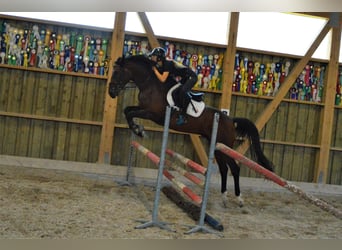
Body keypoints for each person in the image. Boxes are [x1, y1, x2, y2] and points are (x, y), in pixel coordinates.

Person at [149, 47, 198, 125]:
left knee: (182, 91)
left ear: (159, 57)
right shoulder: (161, 65)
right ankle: (176, 108)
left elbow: (162, 79)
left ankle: (183, 115)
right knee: (175, 92)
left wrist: (154, 70)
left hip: (191, 77)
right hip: (185, 78)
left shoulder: (167, 64)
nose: (152, 58)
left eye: (154, 56)